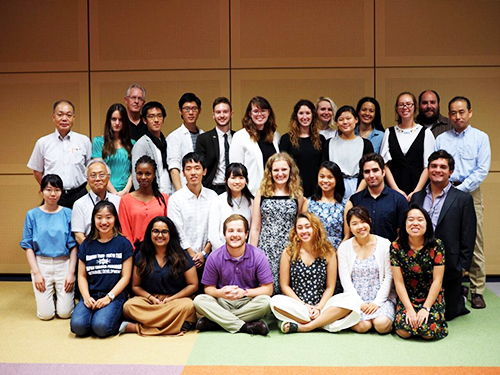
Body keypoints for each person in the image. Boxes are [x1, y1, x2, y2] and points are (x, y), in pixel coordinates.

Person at [435, 96, 490, 309]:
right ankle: (455, 286)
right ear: (449, 115)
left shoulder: (480, 137)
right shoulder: (441, 139)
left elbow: (482, 169)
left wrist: (458, 190)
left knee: (474, 241)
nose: (457, 117)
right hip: (443, 190)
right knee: (447, 240)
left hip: (470, 193)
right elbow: (436, 166)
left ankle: (477, 290)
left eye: (461, 112)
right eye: (453, 113)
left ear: (470, 112)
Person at [412, 150, 476, 320]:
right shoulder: (417, 198)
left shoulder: (463, 199)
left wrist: (463, 266)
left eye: (443, 167)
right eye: (433, 166)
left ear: (451, 171)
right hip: (420, 260)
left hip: (450, 263)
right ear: (428, 169)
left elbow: (468, 235)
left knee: (447, 315)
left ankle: (459, 295)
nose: (437, 170)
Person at [270, 213, 360, 333]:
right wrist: (304, 306)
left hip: (322, 305)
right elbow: (285, 286)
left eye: (308, 226)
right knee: (275, 301)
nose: (304, 231)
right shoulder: (289, 251)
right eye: (300, 228)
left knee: (351, 300)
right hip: (298, 306)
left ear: (315, 228)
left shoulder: (328, 251)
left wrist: (319, 308)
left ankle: (306, 326)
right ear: (295, 231)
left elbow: (330, 287)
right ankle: (323, 323)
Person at [193, 215, 273, 335]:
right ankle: (245, 327)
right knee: (199, 300)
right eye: (230, 231)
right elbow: (208, 288)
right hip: (223, 301)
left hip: (248, 301)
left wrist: (245, 293)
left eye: (239, 231)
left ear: (246, 234)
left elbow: (268, 289)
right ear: (224, 234)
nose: (235, 235)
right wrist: (220, 293)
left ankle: (216, 322)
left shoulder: (258, 255)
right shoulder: (214, 257)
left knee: (266, 302)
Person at [120, 217, 198, 335]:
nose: (160, 235)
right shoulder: (141, 255)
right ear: (150, 234)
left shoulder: (182, 255)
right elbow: (135, 286)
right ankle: (174, 327)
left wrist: (171, 299)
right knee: (129, 306)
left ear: (171, 234)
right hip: (149, 301)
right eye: (155, 231)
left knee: (188, 306)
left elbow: (193, 284)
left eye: (164, 232)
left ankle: (139, 328)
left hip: (175, 300)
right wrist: (152, 298)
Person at [70, 201, 133, 337]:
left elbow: (126, 277)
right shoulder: (86, 244)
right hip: (91, 295)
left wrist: (109, 297)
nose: (104, 221)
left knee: (101, 327)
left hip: (114, 296)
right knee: (78, 327)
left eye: (108, 217)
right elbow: (81, 276)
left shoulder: (124, 243)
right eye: (99, 217)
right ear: (93, 219)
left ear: (115, 219)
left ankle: (114, 317)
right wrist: (86, 297)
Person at [20, 174, 77, 320]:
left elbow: (73, 246)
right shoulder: (32, 215)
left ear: (61, 192)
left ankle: (60, 299)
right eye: (48, 189)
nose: (53, 194)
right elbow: (28, 246)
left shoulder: (68, 213)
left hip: (64, 264)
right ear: (41, 191)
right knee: (46, 315)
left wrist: (71, 273)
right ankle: (50, 298)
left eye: (57, 190)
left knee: (65, 314)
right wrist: (36, 272)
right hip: (42, 264)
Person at [250, 152, 305, 294]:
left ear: (290, 171)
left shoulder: (297, 194)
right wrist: (251, 253)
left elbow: (299, 224)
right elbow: (255, 227)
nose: (280, 173)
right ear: (270, 172)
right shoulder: (261, 193)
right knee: (266, 287)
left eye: (284, 169)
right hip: (266, 248)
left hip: (289, 248)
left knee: (287, 288)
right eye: (276, 170)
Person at [390, 204, 448, 340]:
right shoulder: (395, 247)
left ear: (427, 223)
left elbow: (437, 281)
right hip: (408, 296)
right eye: (410, 219)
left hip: (431, 296)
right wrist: (409, 309)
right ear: (404, 224)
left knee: (427, 333)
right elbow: (398, 282)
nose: (415, 223)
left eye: (420, 220)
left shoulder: (437, 245)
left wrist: (426, 308)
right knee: (404, 332)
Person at [337, 206, 395, 334]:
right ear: (350, 228)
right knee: (363, 326)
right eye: (355, 224)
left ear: (369, 221)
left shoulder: (385, 244)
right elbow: (346, 281)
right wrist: (360, 303)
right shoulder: (344, 248)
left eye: (363, 221)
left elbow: (388, 277)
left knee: (381, 325)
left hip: (381, 297)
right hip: (356, 298)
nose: (360, 227)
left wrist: (377, 302)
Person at [27, 100, 92, 208]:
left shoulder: (84, 141)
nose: (64, 118)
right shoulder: (43, 142)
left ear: (73, 118)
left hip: (79, 195)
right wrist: (50, 189)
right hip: (54, 197)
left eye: (68, 115)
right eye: (60, 114)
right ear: (53, 117)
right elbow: (37, 171)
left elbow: (90, 169)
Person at [167, 153, 217, 274]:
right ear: (183, 173)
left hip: (209, 257)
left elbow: (216, 228)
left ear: (204, 171)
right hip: (182, 257)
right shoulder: (175, 199)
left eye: (197, 168)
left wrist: (204, 253)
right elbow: (177, 230)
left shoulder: (213, 196)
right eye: (188, 169)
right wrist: (192, 255)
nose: (193, 172)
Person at [380, 92, 435, 200]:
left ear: (415, 107)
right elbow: (385, 165)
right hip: (393, 191)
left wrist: (416, 192)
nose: (405, 107)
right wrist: (396, 190)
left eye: (409, 104)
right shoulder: (389, 132)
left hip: (420, 191)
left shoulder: (426, 133)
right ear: (396, 108)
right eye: (401, 104)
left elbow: (428, 166)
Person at [345, 153, 408, 242]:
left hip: (390, 253)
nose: (371, 175)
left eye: (375, 170)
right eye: (367, 172)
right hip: (360, 253)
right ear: (363, 175)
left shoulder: (399, 200)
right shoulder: (355, 201)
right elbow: (350, 235)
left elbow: (402, 235)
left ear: (383, 172)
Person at [229, 96, 280, 195]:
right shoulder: (240, 136)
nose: (260, 114)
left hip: (273, 193)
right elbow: (236, 170)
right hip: (250, 194)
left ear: (269, 112)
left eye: (263, 110)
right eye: (256, 111)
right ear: (250, 114)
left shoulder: (275, 136)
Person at [322, 105, 373, 198]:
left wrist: (357, 194)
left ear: (356, 120)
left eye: (348, 118)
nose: (345, 122)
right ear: (336, 123)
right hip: (334, 188)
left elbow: (368, 171)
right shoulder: (329, 143)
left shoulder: (366, 144)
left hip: (359, 187)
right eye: (341, 119)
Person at [119, 155, 168, 250]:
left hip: (160, 250)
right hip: (136, 252)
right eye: (140, 173)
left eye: (148, 173)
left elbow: (168, 228)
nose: (143, 177)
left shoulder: (164, 199)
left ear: (154, 175)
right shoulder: (126, 200)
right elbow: (125, 232)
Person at [280, 99, 325, 197]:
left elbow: (323, 166)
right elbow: (282, 166)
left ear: (313, 115)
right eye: (301, 113)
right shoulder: (286, 139)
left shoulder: (321, 139)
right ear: (296, 116)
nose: (305, 117)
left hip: (315, 189)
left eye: (308, 113)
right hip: (293, 188)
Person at [72, 159, 121, 245]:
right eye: (93, 176)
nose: (98, 179)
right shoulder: (79, 204)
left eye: (102, 175)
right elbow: (79, 236)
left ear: (108, 177)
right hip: (91, 251)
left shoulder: (118, 201)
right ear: (87, 179)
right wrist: (94, 251)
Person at [208, 163, 254, 252]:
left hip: (245, 253)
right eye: (233, 178)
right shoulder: (218, 201)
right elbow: (213, 234)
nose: (237, 182)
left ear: (246, 180)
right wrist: (225, 253)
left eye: (241, 178)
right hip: (222, 253)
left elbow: (253, 231)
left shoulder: (251, 202)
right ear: (226, 180)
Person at [91, 103, 135, 196]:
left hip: (127, 193)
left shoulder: (132, 143)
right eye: (114, 119)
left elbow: (134, 170)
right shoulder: (98, 142)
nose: (117, 123)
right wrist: (114, 194)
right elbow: (98, 170)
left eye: (121, 120)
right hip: (104, 192)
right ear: (109, 121)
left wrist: (126, 190)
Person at [195, 97, 235, 194]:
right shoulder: (204, 139)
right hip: (213, 189)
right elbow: (199, 166)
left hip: (235, 188)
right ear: (213, 115)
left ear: (231, 114)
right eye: (218, 112)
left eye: (225, 112)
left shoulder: (238, 137)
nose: (222, 115)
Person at [303, 161, 346, 250]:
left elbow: (347, 235)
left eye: (330, 177)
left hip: (336, 251)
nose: (325, 180)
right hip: (313, 250)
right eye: (322, 176)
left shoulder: (345, 204)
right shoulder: (309, 203)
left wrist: (339, 253)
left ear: (337, 179)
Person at [131, 101, 172, 194]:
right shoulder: (141, 144)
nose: (156, 120)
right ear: (144, 120)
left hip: (169, 194)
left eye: (159, 116)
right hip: (152, 196)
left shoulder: (167, 141)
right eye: (151, 116)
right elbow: (136, 176)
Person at [167, 92, 205, 191]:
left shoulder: (204, 135)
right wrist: (181, 194)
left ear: (199, 111)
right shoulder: (174, 137)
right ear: (180, 111)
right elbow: (174, 168)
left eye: (194, 109)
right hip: (183, 188)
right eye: (187, 109)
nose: (191, 113)